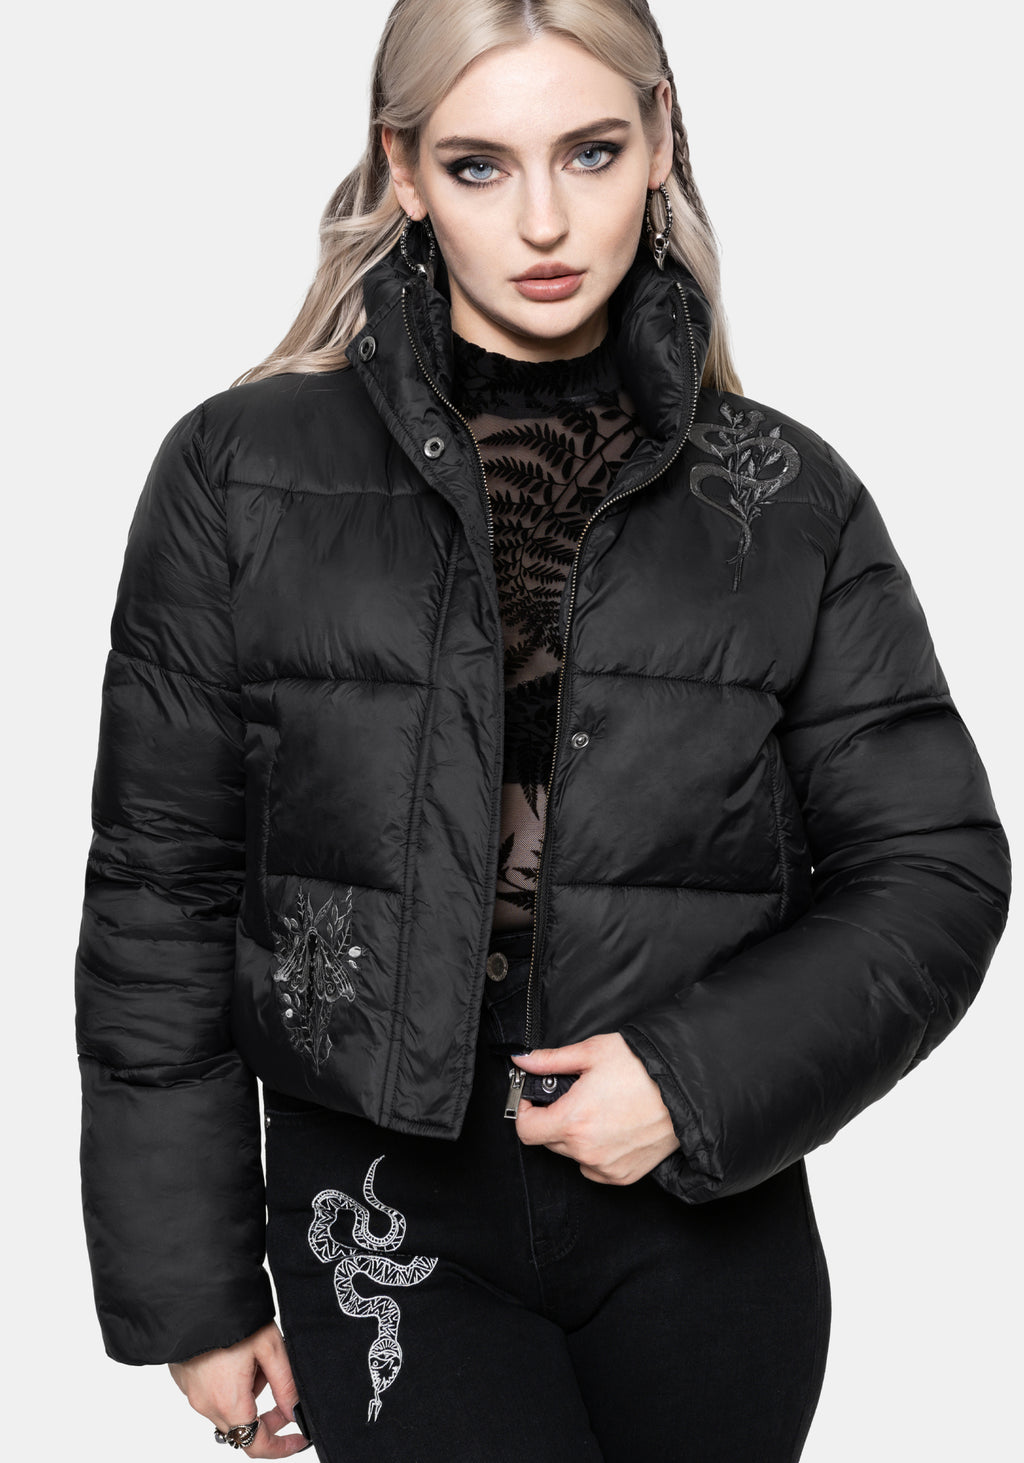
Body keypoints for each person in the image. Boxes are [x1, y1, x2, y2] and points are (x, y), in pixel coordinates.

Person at [73, 1, 1011, 1459]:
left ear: (661, 140)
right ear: (402, 170)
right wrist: (193, 1285)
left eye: (590, 151)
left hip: (702, 1223)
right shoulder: (237, 474)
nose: (546, 223)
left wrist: (686, 1083)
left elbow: (935, 871)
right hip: (379, 1211)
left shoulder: (788, 501)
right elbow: (160, 890)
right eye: (479, 166)